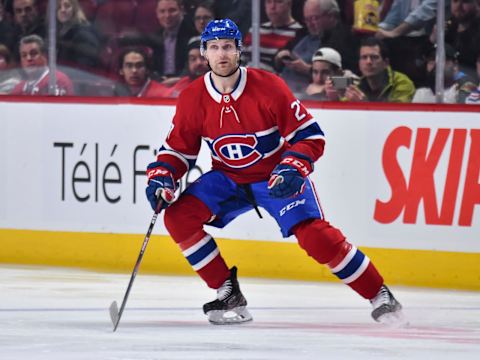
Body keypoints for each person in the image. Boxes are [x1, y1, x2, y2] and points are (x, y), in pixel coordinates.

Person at [144, 18, 404, 326]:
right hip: (228, 178)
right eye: (214, 48)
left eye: (228, 46)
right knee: (177, 217)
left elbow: (310, 136)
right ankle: (227, 292)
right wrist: (162, 176)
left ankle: (380, 294)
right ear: (205, 53)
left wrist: (292, 167)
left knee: (315, 237)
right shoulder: (192, 97)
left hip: (275, 176)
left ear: (239, 51)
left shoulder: (268, 86)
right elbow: (178, 150)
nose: (221, 54)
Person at [275, 0, 357, 96]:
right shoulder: (303, 33)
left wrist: (308, 70)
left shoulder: (346, 39)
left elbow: (352, 81)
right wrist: (280, 57)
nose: (310, 23)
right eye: (307, 19)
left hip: (311, 97)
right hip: (282, 89)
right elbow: (279, 57)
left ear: (331, 16)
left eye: (314, 18)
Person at [328, 37, 415, 102]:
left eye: (374, 57)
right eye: (364, 57)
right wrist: (335, 99)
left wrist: (365, 105)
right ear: (359, 63)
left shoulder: (402, 82)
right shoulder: (357, 85)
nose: (368, 62)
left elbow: (398, 116)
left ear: (386, 62)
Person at [242, 0, 303, 72]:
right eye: (269, 2)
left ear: (289, 4)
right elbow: (241, 59)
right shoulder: (255, 31)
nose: (272, 7)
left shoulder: (299, 33)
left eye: (278, 2)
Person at [412, 44, 476, 103]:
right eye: (431, 61)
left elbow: (464, 112)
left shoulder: (467, 84)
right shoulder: (421, 93)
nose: (436, 65)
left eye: (441, 60)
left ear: (455, 65)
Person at [55, 0, 101, 71]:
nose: (62, 10)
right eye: (59, 7)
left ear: (75, 9)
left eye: (67, 6)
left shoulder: (83, 35)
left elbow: (84, 68)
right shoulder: (59, 33)